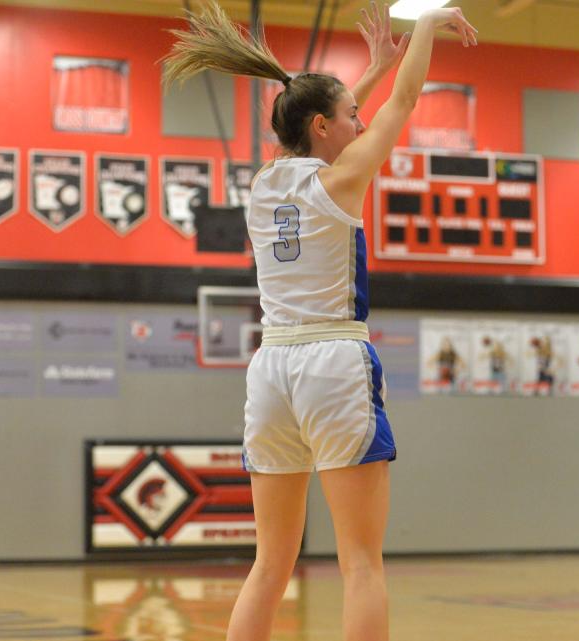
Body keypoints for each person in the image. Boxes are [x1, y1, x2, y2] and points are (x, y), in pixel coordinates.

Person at [163, 4, 477, 641]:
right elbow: (407, 99)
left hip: (270, 371)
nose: (361, 120)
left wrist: (367, 72)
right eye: (352, 115)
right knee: (361, 563)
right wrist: (423, 26)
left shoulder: (263, 184)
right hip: (333, 361)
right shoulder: (344, 182)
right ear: (322, 126)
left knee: (270, 562)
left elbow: (311, 127)